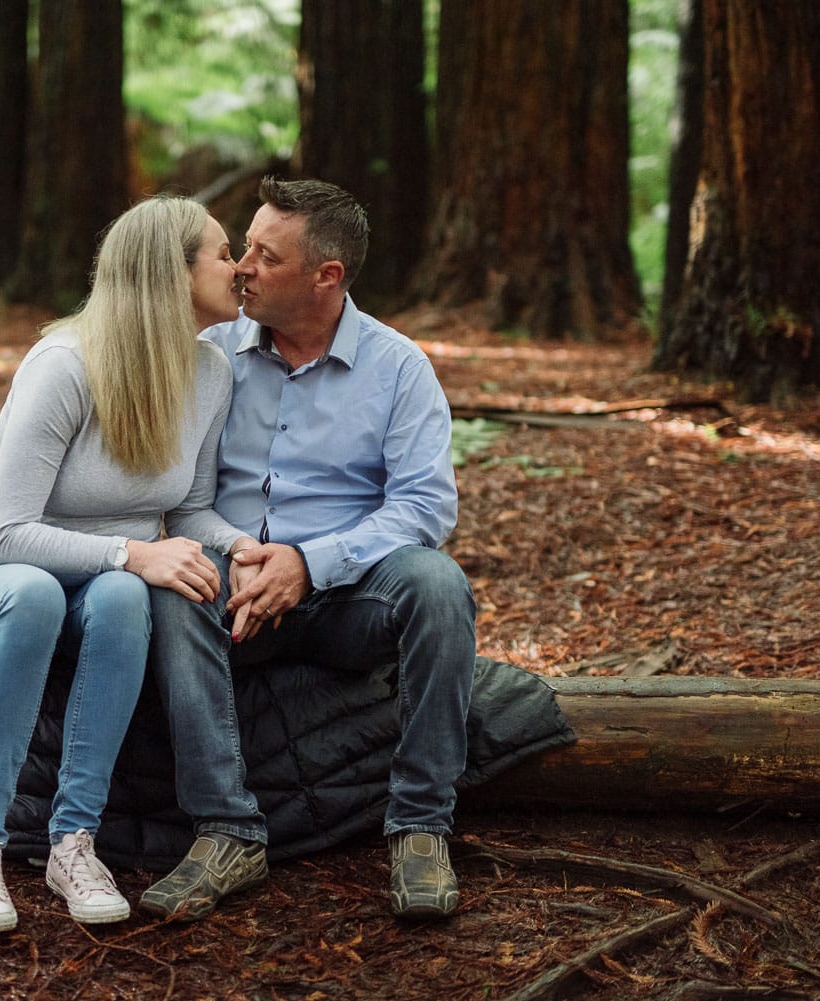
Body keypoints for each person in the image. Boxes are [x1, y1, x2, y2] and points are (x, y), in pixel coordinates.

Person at [135, 177, 475, 922]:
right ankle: (226, 830)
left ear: (327, 276)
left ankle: (420, 825)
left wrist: (308, 562)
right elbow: (154, 475)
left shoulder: (397, 367)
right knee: (172, 585)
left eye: (266, 254)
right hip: (232, 584)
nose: (241, 267)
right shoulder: (210, 352)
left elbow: (425, 506)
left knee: (438, 586)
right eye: (243, 247)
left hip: (349, 597)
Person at [0, 195, 245, 933]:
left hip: (102, 586)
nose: (238, 269)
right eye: (223, 253)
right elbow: (8, 532)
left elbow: (193, 509)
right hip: (0, 579)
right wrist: (134, 551)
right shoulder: (64, 364)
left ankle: (72, 840)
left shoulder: (211, 373)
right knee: (43, 594)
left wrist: (241, 546)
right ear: (172, 275)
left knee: (120, 599)